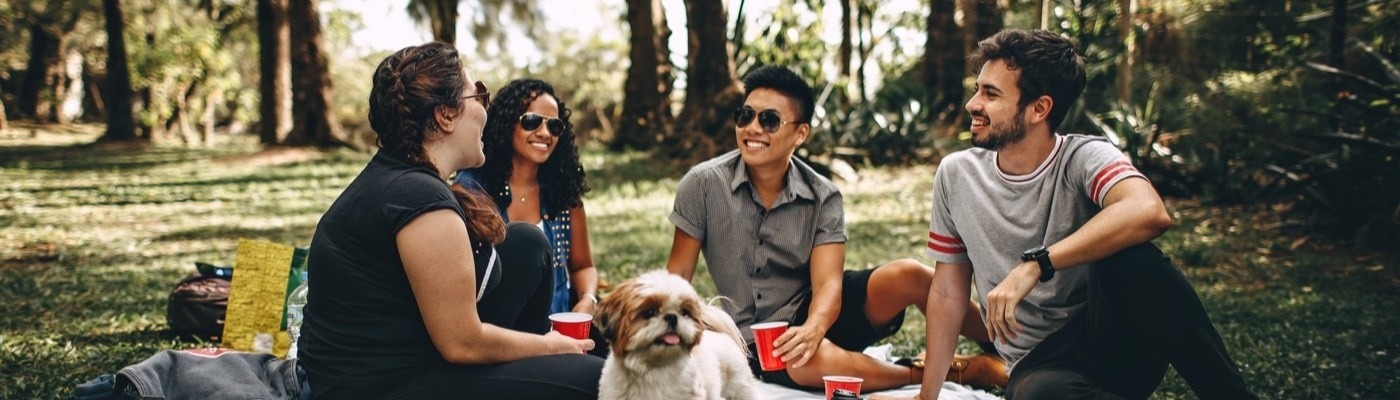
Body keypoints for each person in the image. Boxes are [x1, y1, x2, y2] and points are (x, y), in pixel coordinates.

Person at [892, 29, 1257, 400]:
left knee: (1134, 260)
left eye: (990, 94)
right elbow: (948, 291)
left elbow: (1148, 211)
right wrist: (928, 396)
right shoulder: (957, 174)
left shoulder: (1084, 157)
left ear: (1039, 108)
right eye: (977, 89)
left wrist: (1035, 265)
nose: (973, 104)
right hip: (1040, 366)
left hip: (1112, 337)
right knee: (1038, 394)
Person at [665, 65, 1006, 393]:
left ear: (800, 133)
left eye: (768, 120)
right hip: (756, 340)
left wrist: (813, 328)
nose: (753, 128)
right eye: (745, 116)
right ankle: (950, 371)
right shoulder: (703, 184)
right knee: (804, 362)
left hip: (819, 311)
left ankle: (1009, 347)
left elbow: (828, 283)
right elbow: (677, 276)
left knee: (910, 274)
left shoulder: (822, 195)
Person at [298, 42, 602, 400]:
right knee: (599, 378)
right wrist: (550, 347)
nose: (486, 113)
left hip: (404, 361)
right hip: (381, 387)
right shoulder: (419, 200)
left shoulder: (401, 178)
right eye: (480, 97)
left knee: (526, 244)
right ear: (446, 115)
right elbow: (462, 344)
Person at [454, 78, 598, 316]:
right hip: (500, 332)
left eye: (554, 126)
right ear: (506, 124)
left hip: (560, 330)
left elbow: (583, 266)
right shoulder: (472, 190)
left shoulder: (563, 190)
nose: (544, 133)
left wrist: (588, 300)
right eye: (532, 122)